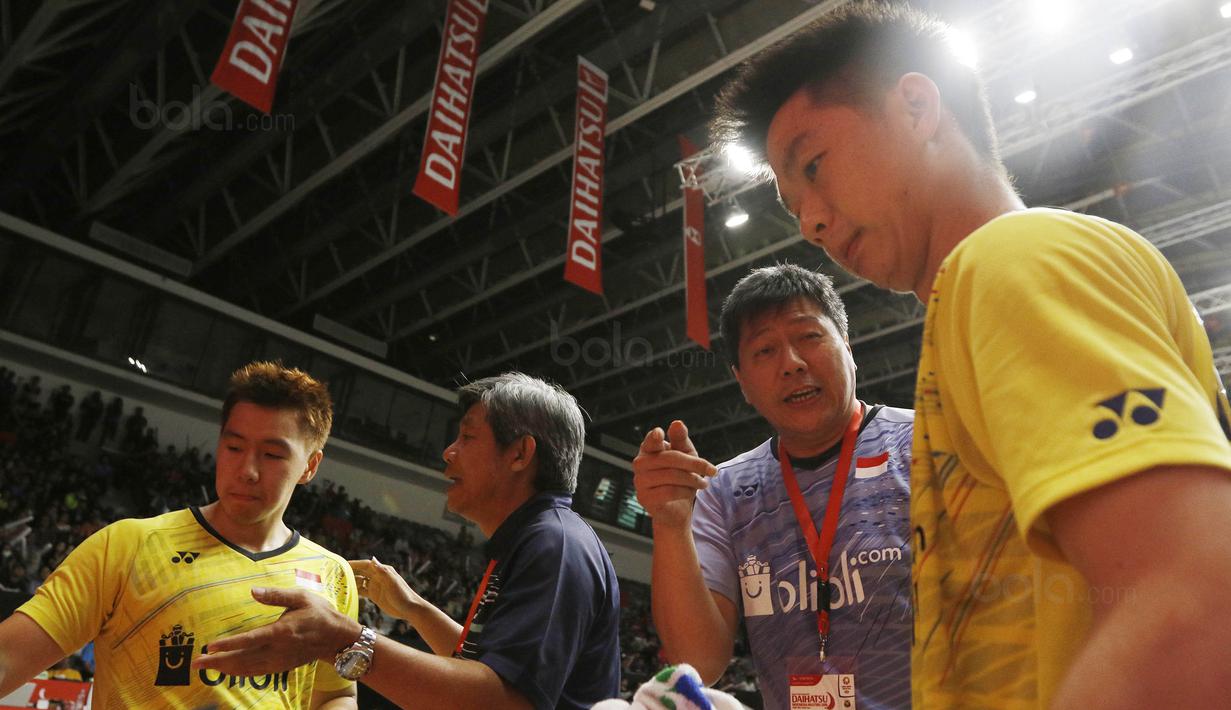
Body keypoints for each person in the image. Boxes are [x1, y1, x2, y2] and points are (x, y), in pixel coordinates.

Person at [709, 3, 1231, 708]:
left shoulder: (1011, 261)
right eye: (791, 201)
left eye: (814, 165)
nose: (809, 220)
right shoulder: (976, 299)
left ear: (917, 105)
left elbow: (1194, 594)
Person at [192, 372, 622, 710]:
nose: (448, 452)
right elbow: (483, 667)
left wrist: (342, 640)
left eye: (467, 437)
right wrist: (412, 608)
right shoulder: (539, 537)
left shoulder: (554, 544)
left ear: (520, 454)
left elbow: (500, 702)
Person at [0, 361, 359, 708]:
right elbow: (8, 657)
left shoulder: (333, 575)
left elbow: (334, 695)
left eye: (271, 455)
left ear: (310, 466)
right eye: (234, 447)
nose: (247, 470)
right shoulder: (128, 546)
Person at [634, 264, 913, 709]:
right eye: (764, 350)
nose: (792, 364)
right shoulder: (722, 491)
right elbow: (699, 663)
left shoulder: (925, 447)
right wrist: (670, 525)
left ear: (848, 345)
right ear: (742, 383)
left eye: (809, 337)